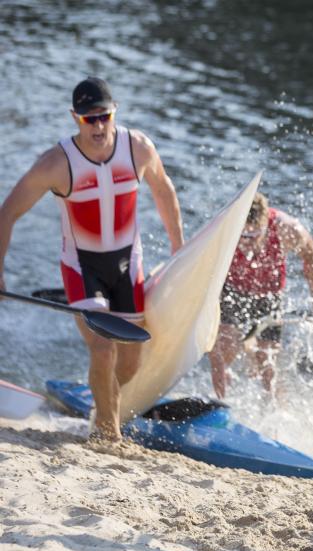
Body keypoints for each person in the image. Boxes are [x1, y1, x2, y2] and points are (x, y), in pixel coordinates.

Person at [0, 77, 184, 441]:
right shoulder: (56, 164)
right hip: (81, 267)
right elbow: (7, 213)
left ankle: (102, 404)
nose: (98, 126)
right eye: (88, 119)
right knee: (102, 348)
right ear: (75, 117)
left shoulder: (139, 148)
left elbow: (164, 192)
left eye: (104, 117)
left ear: (115, 113)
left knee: (130, 361)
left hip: (127, 264)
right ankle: (106, 435)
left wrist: (179, 250)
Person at [208, 192, 313, 398]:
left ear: (266, 223)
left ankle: (276, 413)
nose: (247, 242)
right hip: (231, 289)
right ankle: (218, 401)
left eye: (254, 235)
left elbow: (312, 258)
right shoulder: (225, 228)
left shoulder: (287, 229)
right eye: (243, 236)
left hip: (269, 295)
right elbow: (205, 271)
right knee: (225, 349)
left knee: (268, 365)